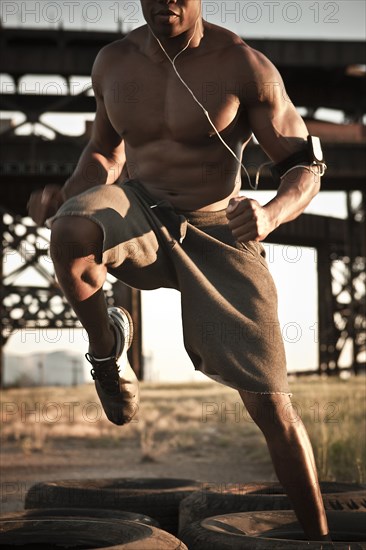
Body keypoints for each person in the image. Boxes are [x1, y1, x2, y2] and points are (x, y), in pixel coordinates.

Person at [28, 0, 331, 541]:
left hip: (221, 229)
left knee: (272, 406)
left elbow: (305, 164)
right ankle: (106, 352)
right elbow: (103, 151)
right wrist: (68, 196)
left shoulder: (244, 65)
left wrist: (269, 213)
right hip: (140, 208)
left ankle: (322, 537)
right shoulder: (113, 62)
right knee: (70, 230)